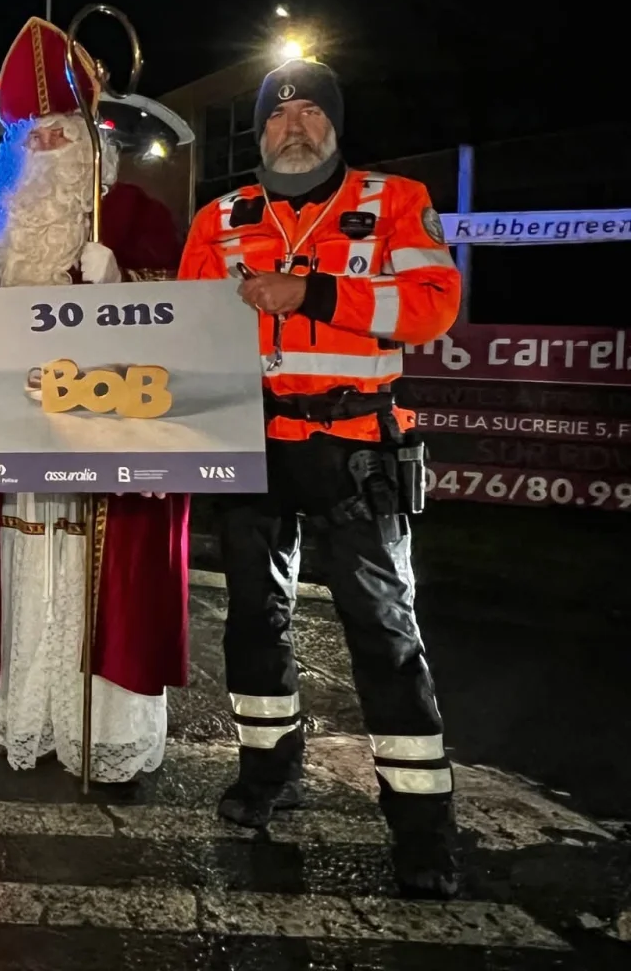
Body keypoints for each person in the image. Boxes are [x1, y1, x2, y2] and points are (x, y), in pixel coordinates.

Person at [178, 58, 463, 897]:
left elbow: (433, 305)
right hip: (251, 441)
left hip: (354, 447)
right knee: (252, 623)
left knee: (383, 634)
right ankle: (267, 772)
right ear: (260, 130)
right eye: (277, 114)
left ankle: (422, 830)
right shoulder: (221, 215)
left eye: (309, 113)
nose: (292, 124)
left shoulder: (393, 202)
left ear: (334, 126)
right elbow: (189, 323)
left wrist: (312, 290)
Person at [0, 18, 191, 782]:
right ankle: (30, 714)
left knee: (103, 575)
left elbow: (186, 338)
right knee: (27, 562)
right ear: (13, 153)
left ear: (90, 140)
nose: (48, 149)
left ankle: (102, 730)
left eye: (60, 132)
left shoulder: (138, 218)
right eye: (33, 139)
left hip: (108, 440)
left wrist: (125, 287)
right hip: (21, 446)